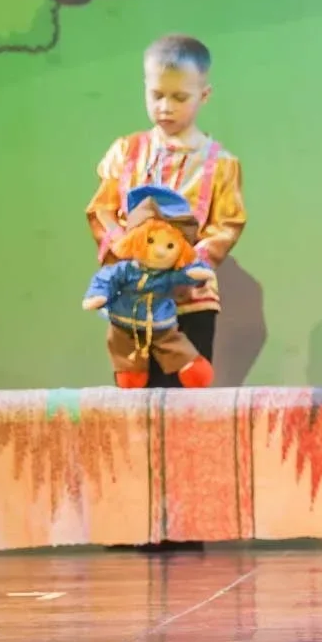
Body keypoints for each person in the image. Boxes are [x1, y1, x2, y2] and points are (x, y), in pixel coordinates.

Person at [86, 34, 247, 384]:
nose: (165, 107)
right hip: (133, 298)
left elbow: (226, 225)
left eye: (179, 97)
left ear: (204, 95)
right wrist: (122, 246)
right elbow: (103, 210)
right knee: (135, 389)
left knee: (184, 393)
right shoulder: (126, 151)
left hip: (190, 301)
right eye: (157, 95)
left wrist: (189, 263)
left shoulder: (220, 163)